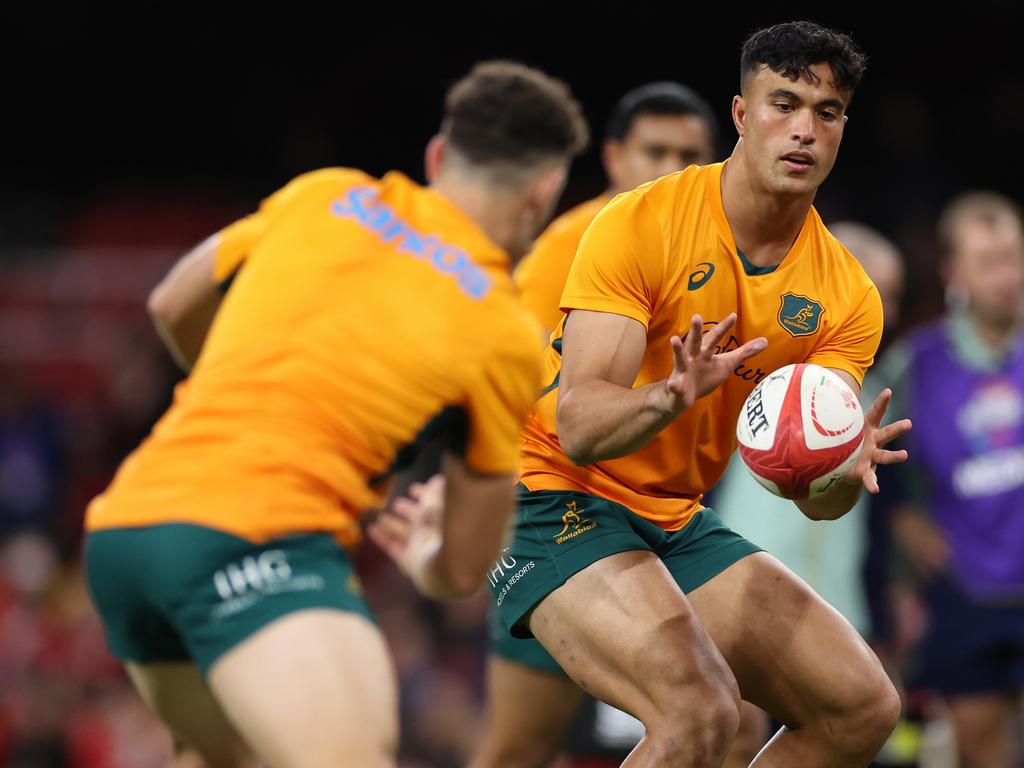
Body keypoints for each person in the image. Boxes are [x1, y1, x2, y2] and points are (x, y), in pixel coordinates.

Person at [382, 21, 912, 767]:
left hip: (669, 517)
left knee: (863, 707)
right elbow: (579, 427)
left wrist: (838, 470)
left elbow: (811, 496)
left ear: (843, 127)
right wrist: (672, 395)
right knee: (693, 713)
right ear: (740, 114)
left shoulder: (846, 297)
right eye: (783, 103)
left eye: (826, 113)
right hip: (550, 494)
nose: (803, 130)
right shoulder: (639, 222)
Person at [83, 61, 588, 768]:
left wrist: (251, 396)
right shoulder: (505, 332)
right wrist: (426, 558)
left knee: (224, 756)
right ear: (542, 196)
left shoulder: (328, 193)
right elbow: (466, 565)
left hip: (125, 535)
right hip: (254, 542)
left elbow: (172, 303)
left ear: (438, 157)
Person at [473, 79, 720, 768]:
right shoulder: (566, 249)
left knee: (712, 720)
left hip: (664, 521)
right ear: (614, 158)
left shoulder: (719, 253)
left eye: (689, 154)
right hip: (563, 512)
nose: (671, 167)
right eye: (654, 150)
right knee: (521, 747)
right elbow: (500, 383)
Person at [881, 192, 1024, 768]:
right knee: (982, 750)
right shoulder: (914, 363)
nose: (1007, 276)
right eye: (988, 262)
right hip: (965, 594)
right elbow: (872, 458)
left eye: (1014, 257)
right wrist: (903, 520)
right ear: (953, 272)